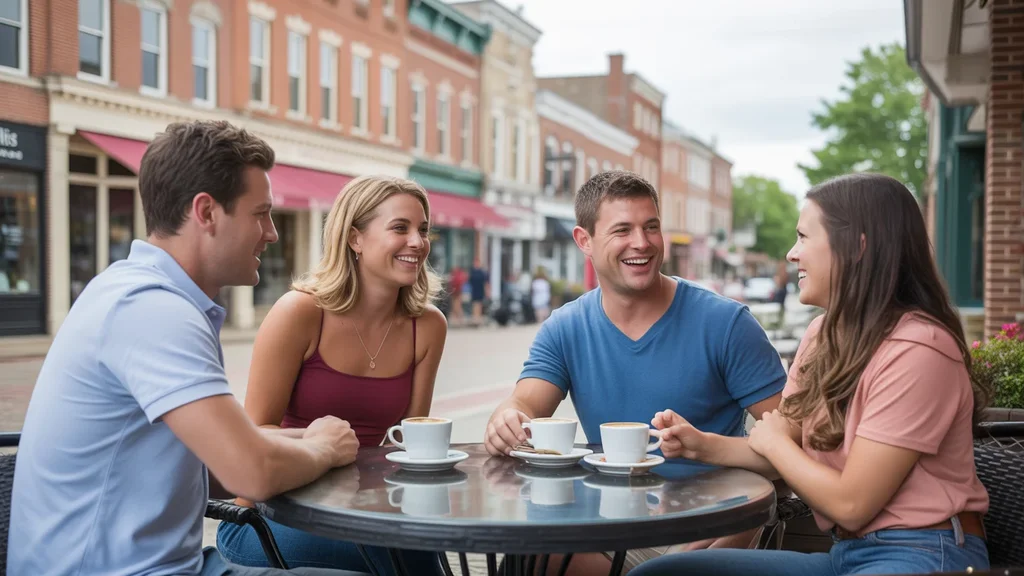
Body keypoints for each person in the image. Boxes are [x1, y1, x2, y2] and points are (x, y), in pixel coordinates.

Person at [8, 120, 366, 576]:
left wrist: (309, 440)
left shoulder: (142, 294)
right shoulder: (152, 310)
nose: (272, 232)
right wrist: (324, 451)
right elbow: (250, 473)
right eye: (260, 213)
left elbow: (219, 454)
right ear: (207, 212)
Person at [634, 173, 992, 576]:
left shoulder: (919, 349)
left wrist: (776, 444)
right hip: (847, 555)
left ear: (857, 247)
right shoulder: (823, 334)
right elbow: (780, 448)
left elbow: (851, 505)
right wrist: (699, 445)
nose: (792, 254)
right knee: (661, 573)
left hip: (923, 552)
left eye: (804, 237)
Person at [483, 170, 788, 574]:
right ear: (584, 240)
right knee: (527, 560)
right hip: (610, 531)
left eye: (651, 227)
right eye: (622, 230)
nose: (641, 243)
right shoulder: (565, 327)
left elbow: (792, 441)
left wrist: (742, 524)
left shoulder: (727, 324)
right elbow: (524, 402)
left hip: (707, 532)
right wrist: (506, 420)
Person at [216, 175, 448, 575]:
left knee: (418, 547)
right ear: (355, 238)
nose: (417, 242)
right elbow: (255, 435)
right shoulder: (299, 312)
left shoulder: (428, 326)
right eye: (400, 228)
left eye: (423, 230)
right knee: (397, 556)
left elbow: (409, 443)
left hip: (363, 514)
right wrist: (320, 447)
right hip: (266, 517)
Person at [468, 257, 489, 325]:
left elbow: (486, 282)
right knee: (474, 304)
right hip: (474, 290)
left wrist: (487, 291)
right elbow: (469, 281)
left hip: (480, 290)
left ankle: (478, 318)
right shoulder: (472, 272)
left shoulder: (482, 272)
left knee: (479, 304)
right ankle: (475, 318)